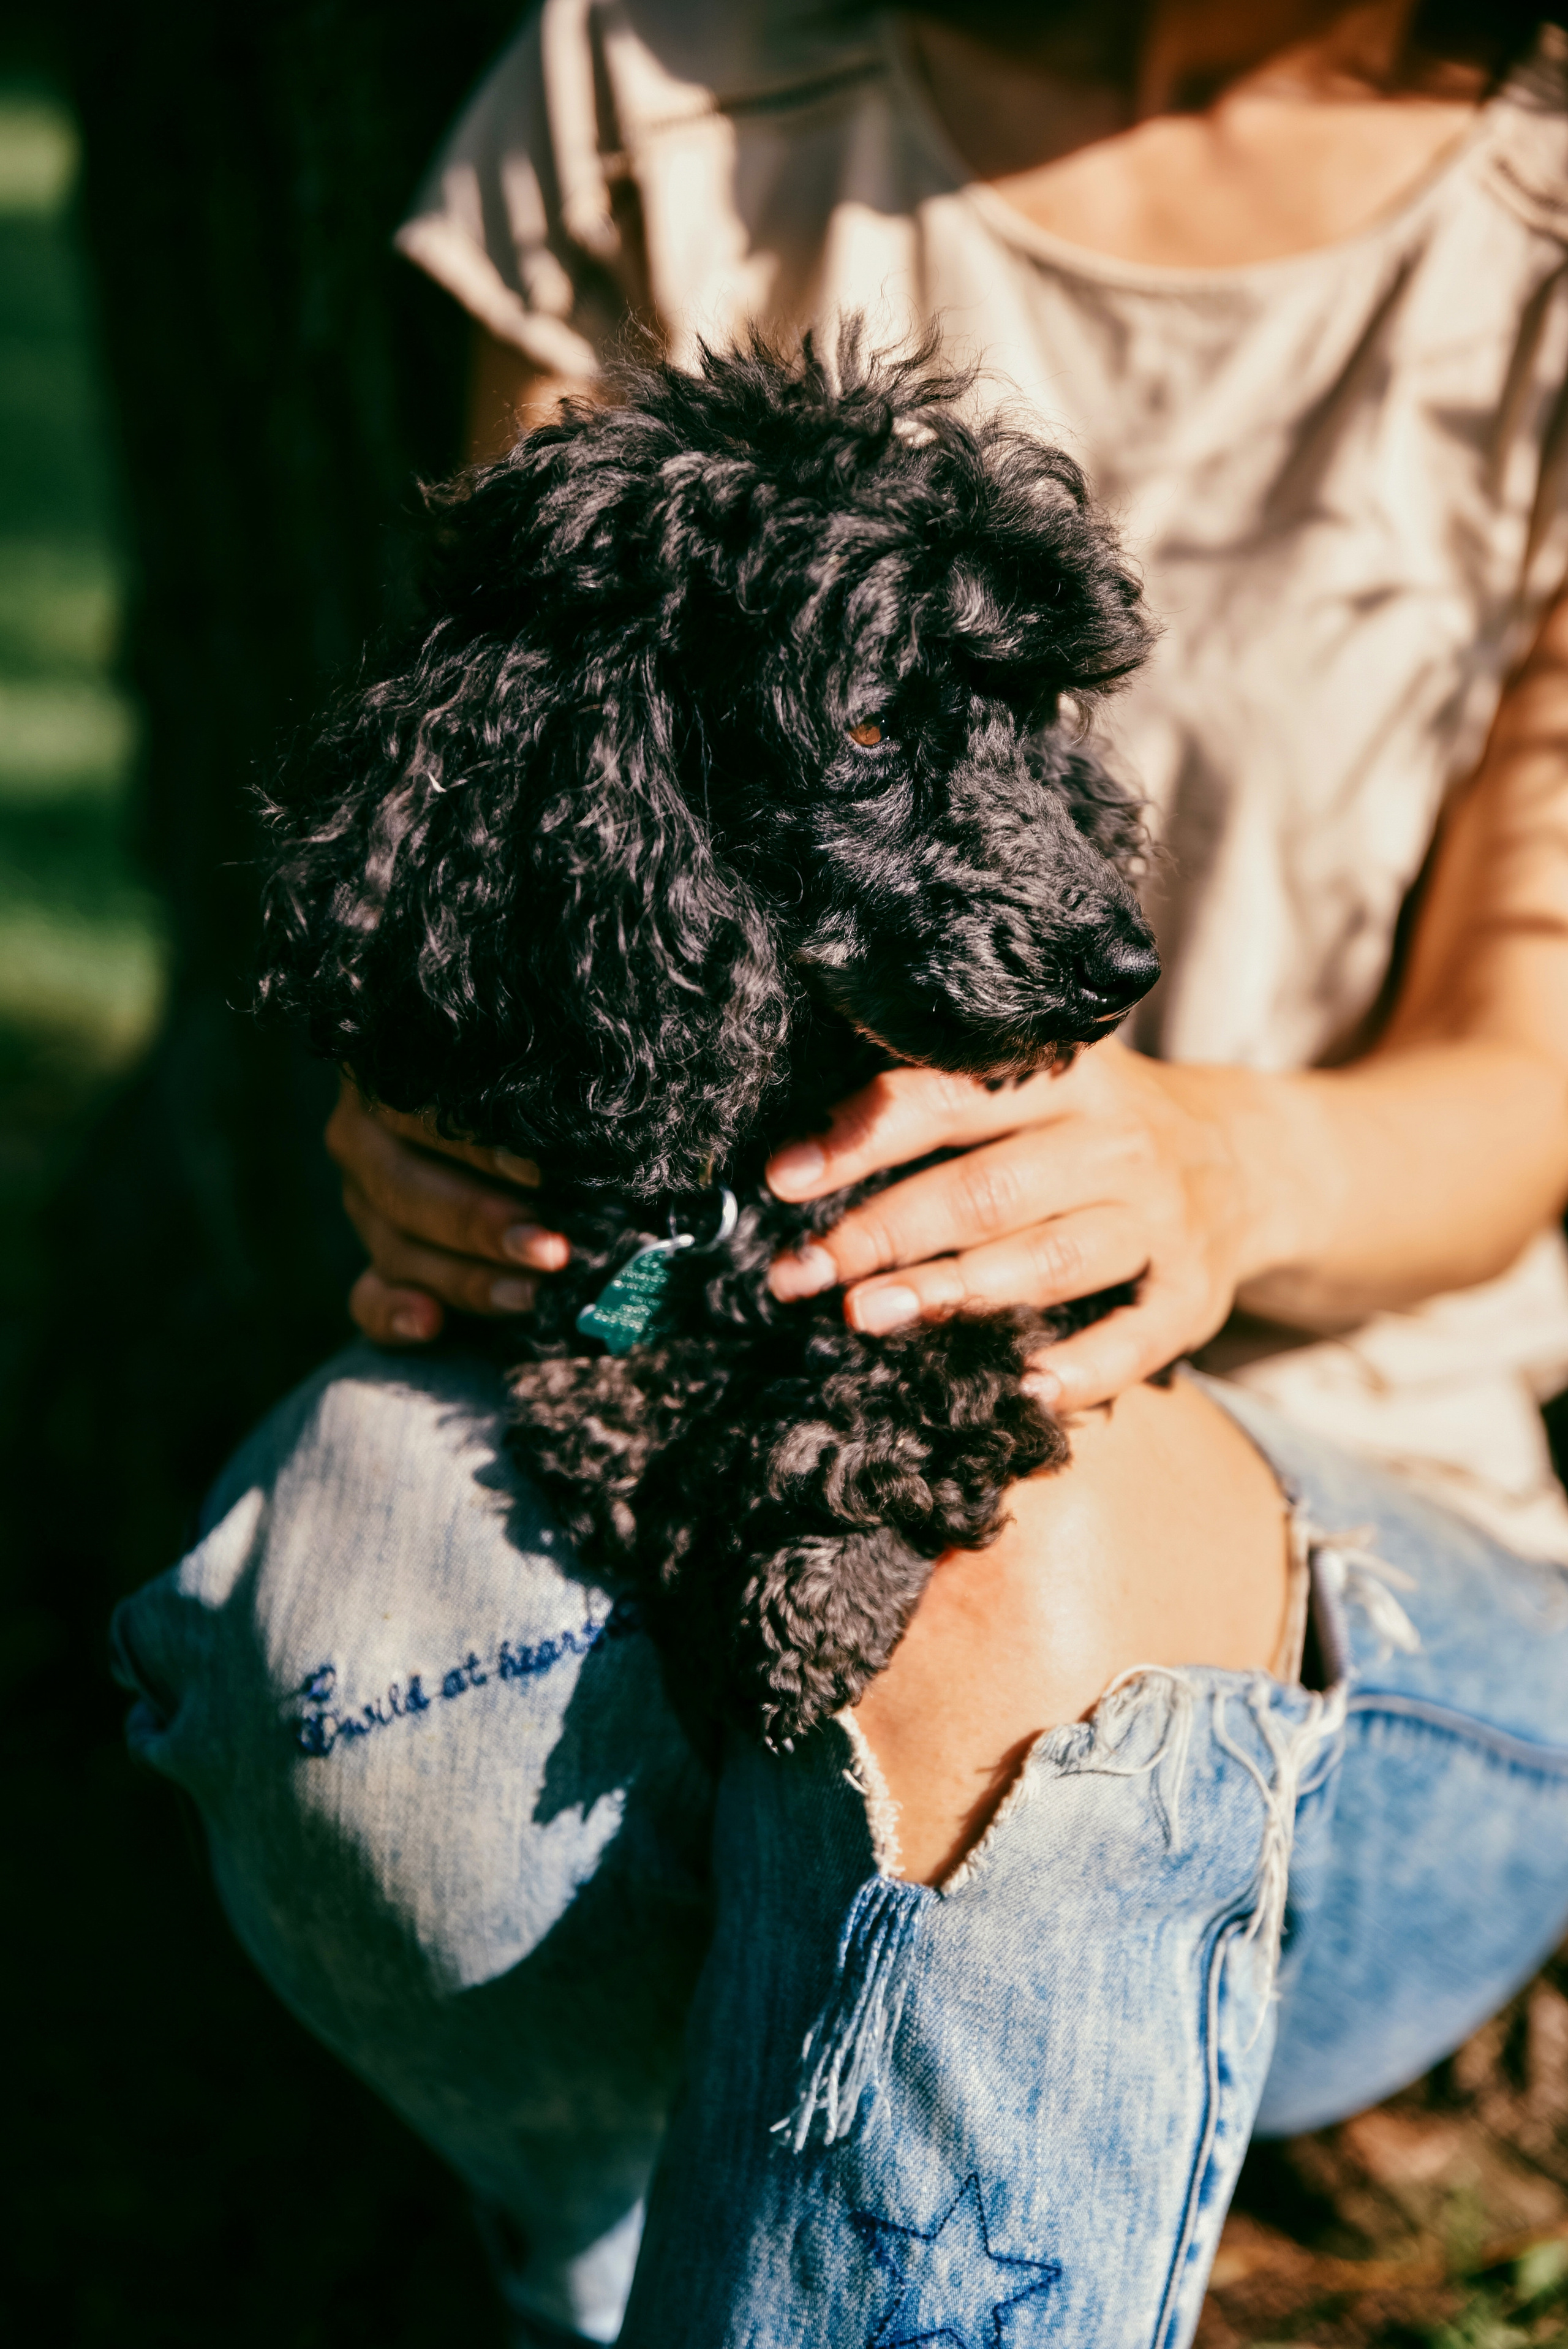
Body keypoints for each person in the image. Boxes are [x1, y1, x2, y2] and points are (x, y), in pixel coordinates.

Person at [111, 3, 1568, 2342]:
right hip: (684, 1343)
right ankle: (645, 2254)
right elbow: (552, 749)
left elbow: (1535, 1075)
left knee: (996, 1547)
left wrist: (1215, 1159)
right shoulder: (655, 72)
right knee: (352, 1548)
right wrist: (437, 1105)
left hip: (1369, 1512)